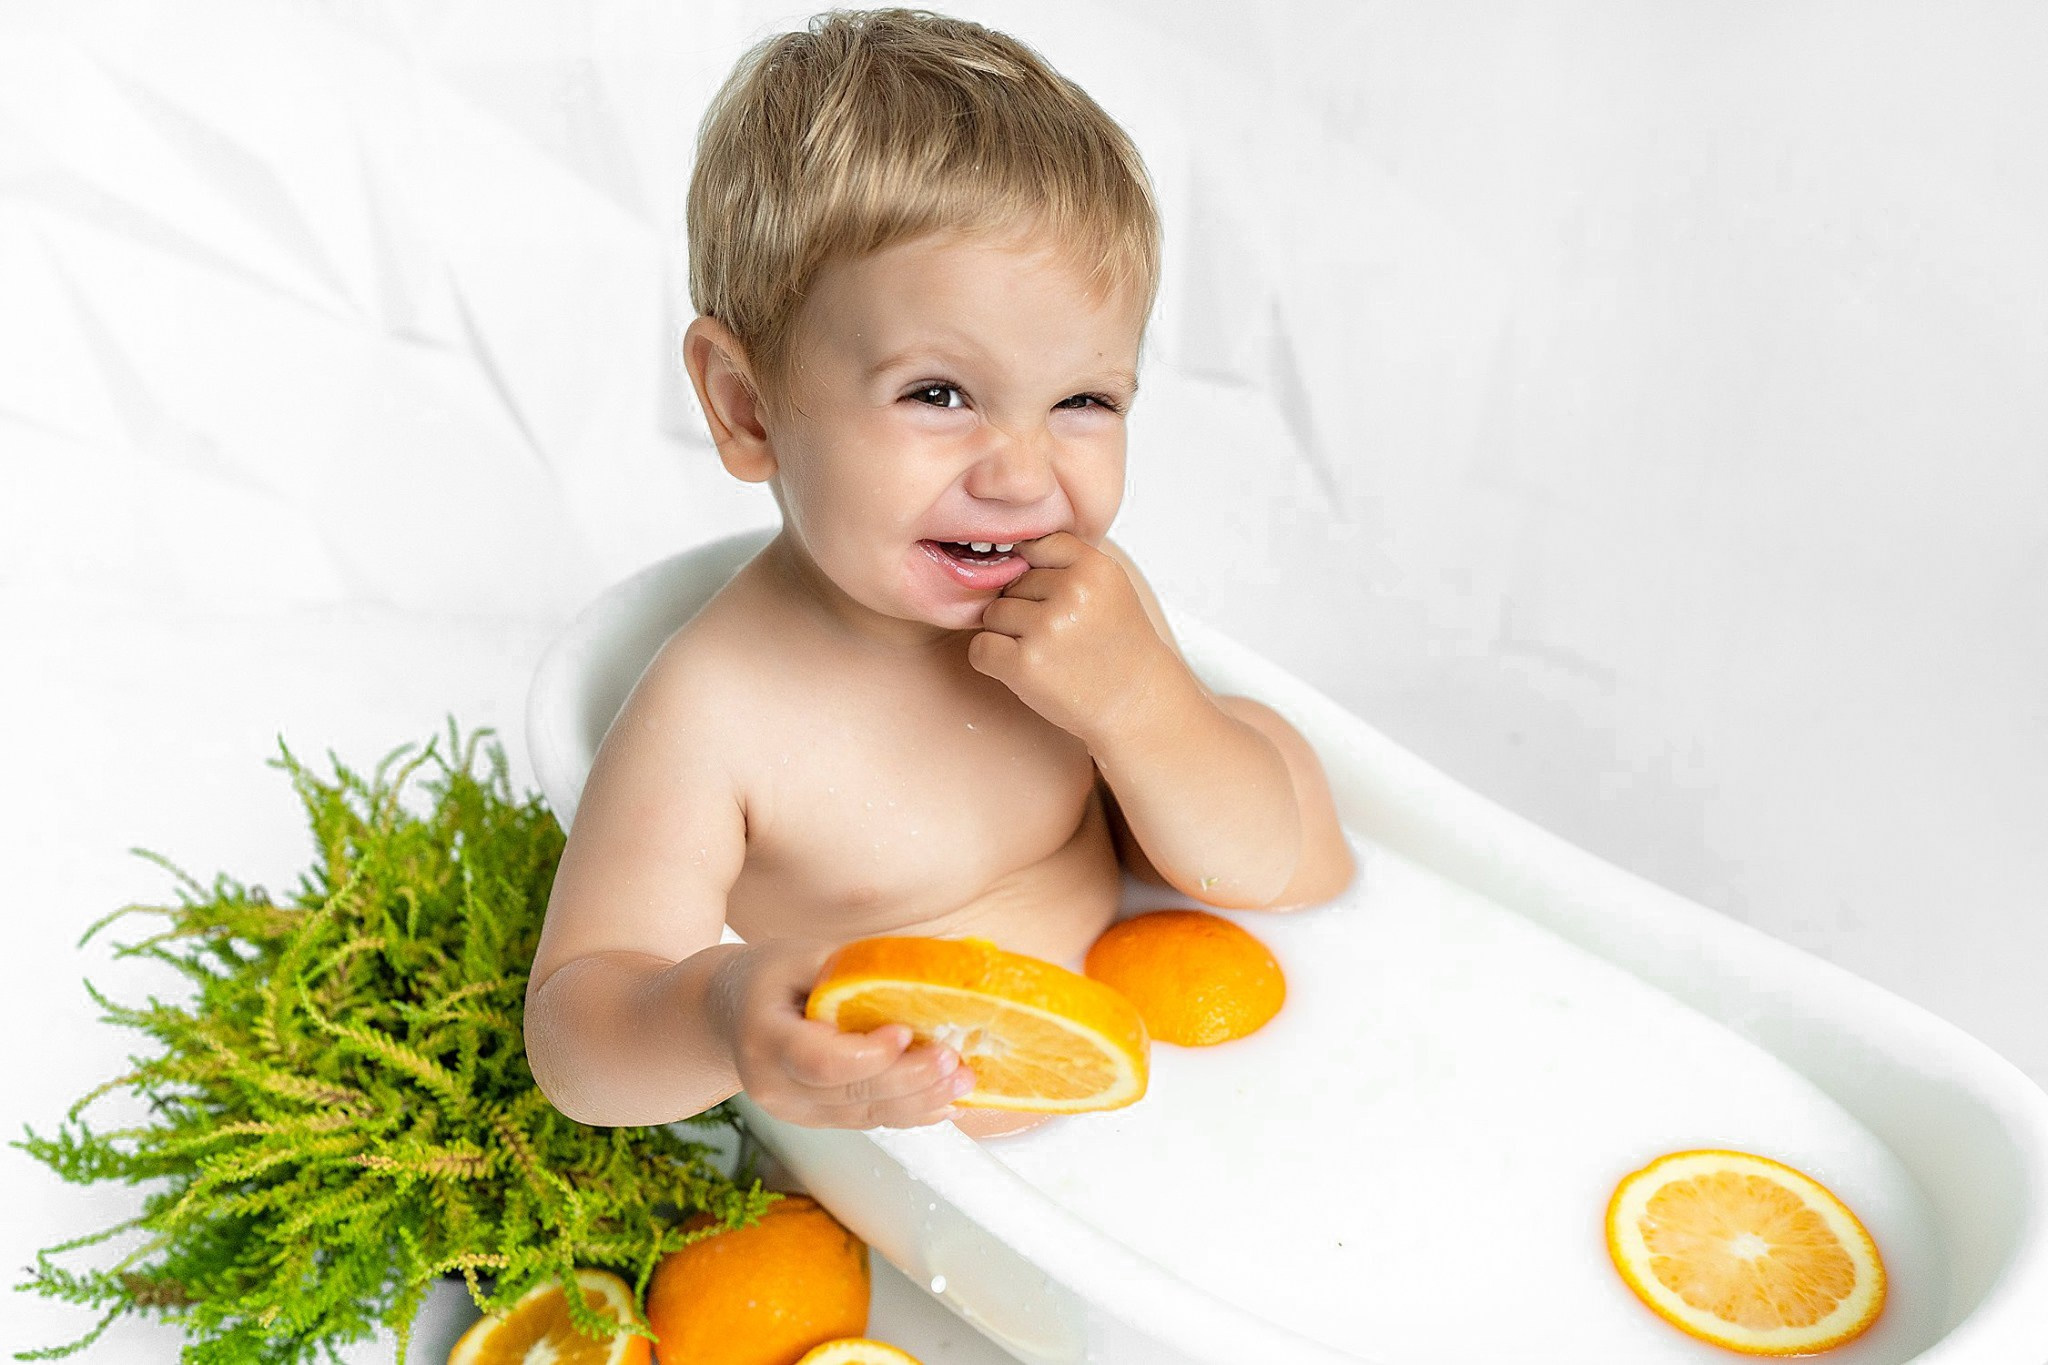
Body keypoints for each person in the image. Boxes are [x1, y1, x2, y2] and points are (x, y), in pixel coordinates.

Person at [524, 7, 1352, 1140]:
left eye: (1083, 400)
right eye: (939, 394)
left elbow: (1267, 869)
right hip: (941, 1170)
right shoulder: (716, 713)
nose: (1022, 475)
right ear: (746, 406)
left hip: (1182, 1098)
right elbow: (577, 1040)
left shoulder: (1084, 608)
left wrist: (1142, 705)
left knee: (1263, 756)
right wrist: (721, 1011)